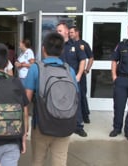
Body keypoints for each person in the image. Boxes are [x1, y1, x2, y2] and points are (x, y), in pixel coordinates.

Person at [24, 32, 77, 166]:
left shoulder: (36, 69)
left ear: (43, 48)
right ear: (62, 50)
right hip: (64, 124)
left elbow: (26, 101)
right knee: (59, 162)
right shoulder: (69, 70)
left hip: (41, 124)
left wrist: (24, 126)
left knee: (37, 161)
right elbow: (75, 97)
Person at [56, 22, 88, 137]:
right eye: (57, 31)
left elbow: (83, 60)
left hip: (73, 80)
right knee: (60, 102)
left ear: (66, 31)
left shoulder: (76, 45)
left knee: (76, 103)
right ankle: (62, 125)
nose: (58, 33)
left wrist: (79, 75)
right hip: (59, 80)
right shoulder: (55, 46)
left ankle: (78, 127)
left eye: (60, 31)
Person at [69, 26, 94, 123]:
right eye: (69, 33)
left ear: (77, 32)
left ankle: (85, 115)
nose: (70, 34)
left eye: (72, 32)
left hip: (80, 75)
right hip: (70, 74)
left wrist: (86, 70)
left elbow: (91, 58)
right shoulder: (68, 44)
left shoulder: (83, 44)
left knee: (82, 95)